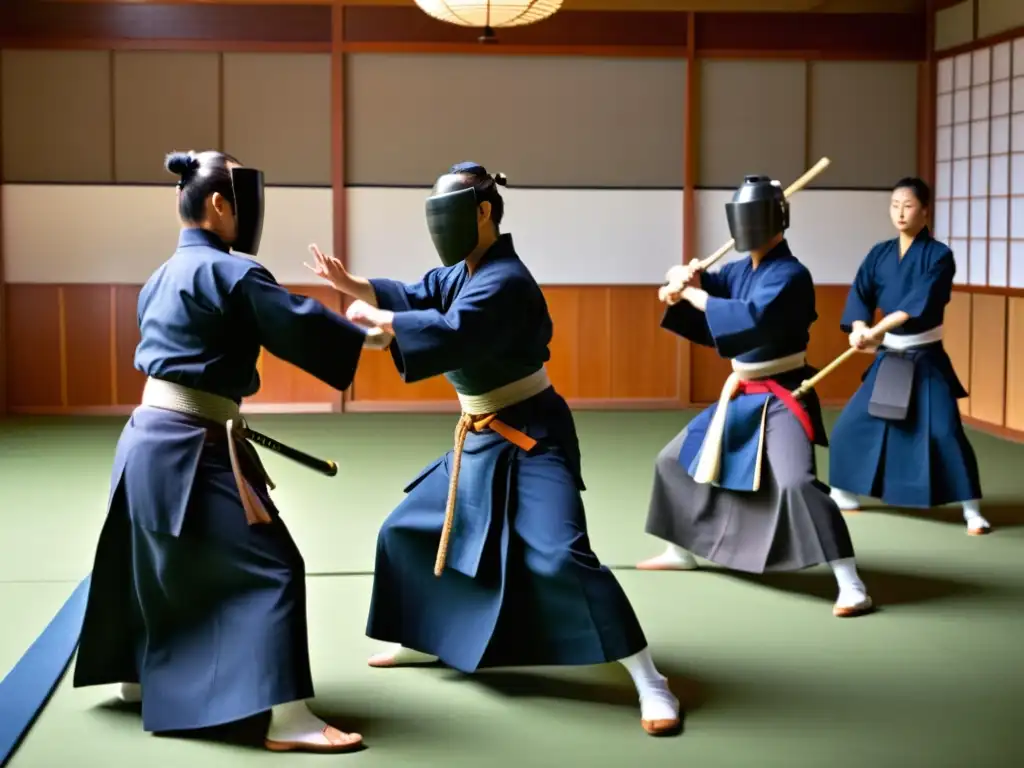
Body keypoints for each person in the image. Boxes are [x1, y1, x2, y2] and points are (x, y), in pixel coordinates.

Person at [305, 162, 681, 736]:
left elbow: (454, 332)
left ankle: (649, 677)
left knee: (561, 553)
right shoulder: (461, 271)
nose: (440, 229)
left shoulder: (507, 280)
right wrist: (354, 286)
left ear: (483, 212)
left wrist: (383, 320)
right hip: (478, 436)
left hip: (532, 435)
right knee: (404, 531)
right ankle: (424, 638)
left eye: (448, 214)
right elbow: (417, 294)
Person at [73, 150, 387, 754]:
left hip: (145, 441)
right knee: (273, 566)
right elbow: (295, 324)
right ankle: (289, 718)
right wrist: (373, 337)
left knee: (156, 556)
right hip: (192, 445)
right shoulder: (234, 274)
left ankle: (138, 676)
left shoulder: (161, 275)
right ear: (220, 205)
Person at [636, 174, 874, 619]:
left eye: (752, 217)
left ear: (775, 221)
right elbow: (709, 292)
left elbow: (750, 316)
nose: (745, 227)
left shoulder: (791, 275)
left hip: (783, 392)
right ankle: (679, 550)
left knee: (796, 482)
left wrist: (695, 294)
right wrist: (679, 282)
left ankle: (850, 581)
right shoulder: (738, 270)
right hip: (741, 392)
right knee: (672, 461)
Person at [827, 178, 988, 535]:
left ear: (925, 210)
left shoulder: (939, 255)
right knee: (850, 427)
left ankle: (972, 510)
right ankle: (843, 492)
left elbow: (917, 303)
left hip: (925, 357)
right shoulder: (879, 253)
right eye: (895, 204)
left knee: (945, 431)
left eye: (909, 205)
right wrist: (858, 327)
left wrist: (876, 330)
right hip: (889, 357)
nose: (900, 212)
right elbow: (861, 293)